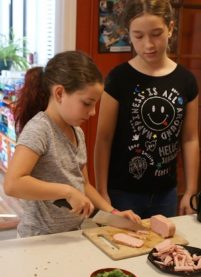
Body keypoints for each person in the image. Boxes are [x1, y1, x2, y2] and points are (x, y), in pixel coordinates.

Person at [4, 50, 141, 237]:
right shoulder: (39, 130)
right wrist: (67, 192)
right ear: (59, 93)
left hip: (71, 234)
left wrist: (113, 213)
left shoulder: (77, 131)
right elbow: (12, 184)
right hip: (39, 239)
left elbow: (83, 184)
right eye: (87, 103)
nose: (93, 112)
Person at [94, 0, 200, 219]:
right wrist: (102, 190)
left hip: (166, 193)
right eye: (138, 36)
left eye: (156, 34)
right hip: (122, 192)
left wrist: (190, 190)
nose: (148, 45)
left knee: (164, 251)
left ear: (170, 28)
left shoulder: (186, 80)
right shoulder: (117, 79)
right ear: (128, 34)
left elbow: (190, 138)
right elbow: (103, 139)